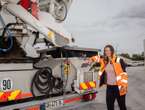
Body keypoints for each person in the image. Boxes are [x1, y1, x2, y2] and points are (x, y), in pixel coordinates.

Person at [85, 45, 128, 110]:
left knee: (122, 106)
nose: (106, 52)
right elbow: (97, 58)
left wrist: (124, 86)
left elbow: (124, 74)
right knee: (109, 106)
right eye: (105, 50)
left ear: (112, 51)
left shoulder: (119, 60)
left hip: (119, 87)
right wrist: (90, 60)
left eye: (108, 50)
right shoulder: (104, 60)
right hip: (109, 87)